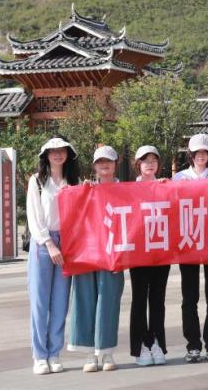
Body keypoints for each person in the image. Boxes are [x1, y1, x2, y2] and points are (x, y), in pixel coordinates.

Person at [68, 145, 126, 371]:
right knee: (85, 299)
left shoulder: (126, 189)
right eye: (100, 161)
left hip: (113, 252)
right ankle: (89, 354)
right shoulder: (86, 189)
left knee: (108, 300)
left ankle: (107, 352)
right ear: (94, 166)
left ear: (115, 164)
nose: (104, 165)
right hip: (87, 252)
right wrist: (81, 192)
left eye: (108, 161)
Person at [26, 136, 80, 375]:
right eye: (52, 151)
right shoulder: (37, 181)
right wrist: (49, 243)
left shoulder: (74, 181)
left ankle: (54, 353)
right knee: (40, 302)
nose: (57, 154)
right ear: (46, 155)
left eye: (62, 150)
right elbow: (34, 216)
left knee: (60, 302)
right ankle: (39, 356)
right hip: (43, 244)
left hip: (67, 243)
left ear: (68, 154)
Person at [172, 133, 208, 363]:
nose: (201, 156)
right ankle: (193, 344)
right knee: (189, 296)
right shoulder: (179, 178)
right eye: (197, 152)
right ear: (191, 155)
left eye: (205, 152)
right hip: (189, 241)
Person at [129, 145, 171, 367]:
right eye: (146, 161)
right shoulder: (129, 188)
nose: (150, 164)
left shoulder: (165, 186)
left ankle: (156, 342)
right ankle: (140, 346)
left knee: (158, 300)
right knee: (139, 300)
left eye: (154, 160)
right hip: (138, 252)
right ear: (138, 164)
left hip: (161, 250)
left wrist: (170, 187)